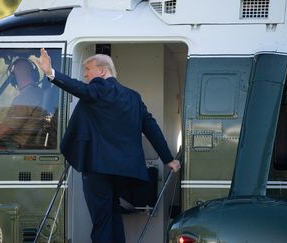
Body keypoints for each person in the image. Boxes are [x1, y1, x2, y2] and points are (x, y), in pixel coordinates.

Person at [37, 48, 181, 243]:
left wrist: (50, 72)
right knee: (112, 214)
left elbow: (79, 88)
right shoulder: (133, 97)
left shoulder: (98, 89)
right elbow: (151, 128)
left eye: (88, 69)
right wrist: (168, 159)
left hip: (98, 169)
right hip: (123, 172)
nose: (85, 74)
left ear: (103, 72)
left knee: (101, 220)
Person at [0, 58, 46, 149]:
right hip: (26, 145)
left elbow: (1, 132)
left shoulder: (24, 99)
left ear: (13, 78)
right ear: (34, 75)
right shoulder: (38, 93)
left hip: (15, 149)